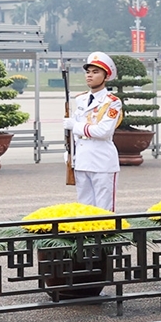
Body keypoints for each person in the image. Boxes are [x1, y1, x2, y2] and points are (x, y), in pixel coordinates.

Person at [66, 52, 123, 211]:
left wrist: (75, 126)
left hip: (102, 161)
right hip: (82, 160)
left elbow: (103, 131)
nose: (90, 75)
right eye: (88, 72)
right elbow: (74, 134)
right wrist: (70, 153)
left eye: (95, 72)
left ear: (105, 77)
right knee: (84, 208)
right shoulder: (81, 99)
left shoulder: (112, 102)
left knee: (104, 210)